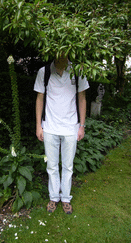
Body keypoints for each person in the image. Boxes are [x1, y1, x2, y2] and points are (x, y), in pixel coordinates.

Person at [34, 54, 89, 214]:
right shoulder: (44, 72)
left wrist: (82, 126)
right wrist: (38, 126)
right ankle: (53, 197)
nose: (62, 56)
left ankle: (65, 198)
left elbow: (82, 98)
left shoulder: (78, 71)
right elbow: (39, 98)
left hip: (71, 127)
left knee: (68, 166)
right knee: (51, 166)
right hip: (50, 127)